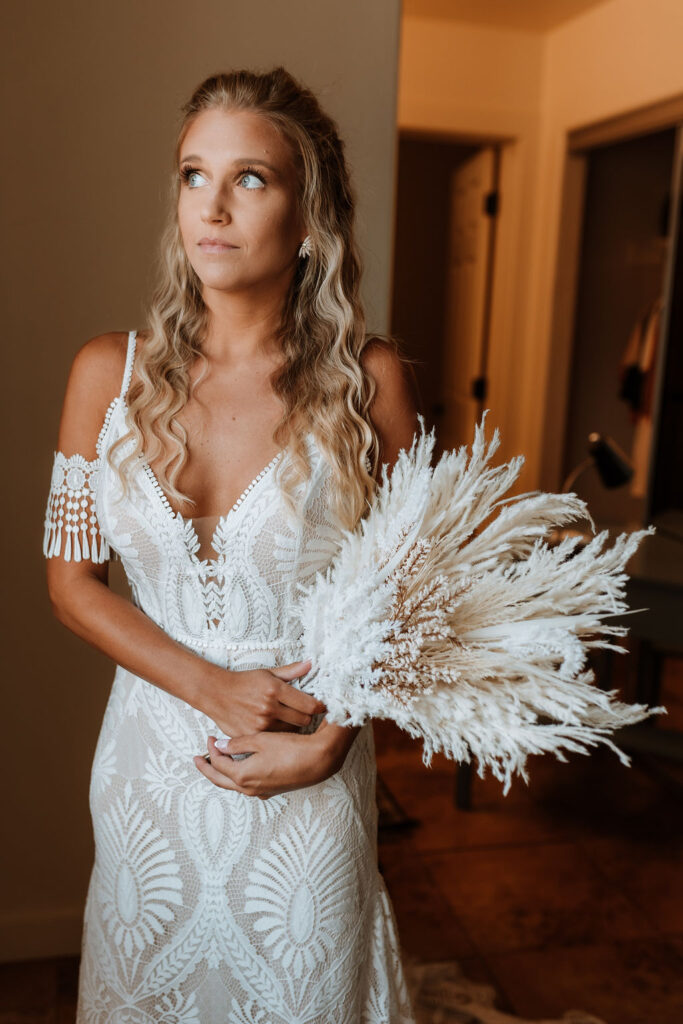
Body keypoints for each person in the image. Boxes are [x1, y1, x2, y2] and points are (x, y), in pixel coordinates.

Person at [43, 66, 420, 1022]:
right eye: (191, 175)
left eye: (249, 178)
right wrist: (210, 685)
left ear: (308, 216)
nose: (211, 206)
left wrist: (331, 741)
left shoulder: (366, 382)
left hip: (305, 766)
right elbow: (71, 583)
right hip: (146, 771)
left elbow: (411, 592)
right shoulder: (105, 375)